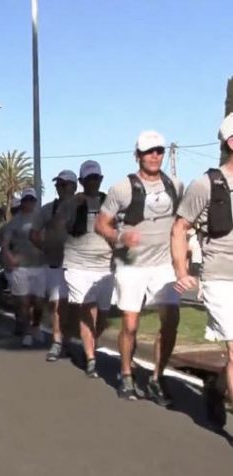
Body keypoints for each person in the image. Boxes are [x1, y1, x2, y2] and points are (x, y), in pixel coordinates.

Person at [95, 131, 183, 404]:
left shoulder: (175, 185)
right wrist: (120, 237)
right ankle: (126, 374)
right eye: (148, 151)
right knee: (130, 325)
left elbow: (181, 222)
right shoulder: (121, 188)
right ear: (138, 155)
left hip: (163, 265)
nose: (155, 156)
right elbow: (101, 224)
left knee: (171, 321)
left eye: (159, 150)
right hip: (131, 265)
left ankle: (157, 377)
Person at [172, 113, 233, 417]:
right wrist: (182, 272)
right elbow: (179, 228)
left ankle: (216, 387)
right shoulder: (206, 185)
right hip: (220, 278)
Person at [50, 161, 114, 377]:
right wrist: (70, 209)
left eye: (96, 178)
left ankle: (87, 343)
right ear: (81, 181)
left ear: (101, 179)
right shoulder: (71, 203)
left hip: (105, 265)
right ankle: (91, 358)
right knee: (88, 310)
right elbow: (57, 227)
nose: (93, 182)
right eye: (89, 179)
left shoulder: (109, 202)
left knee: (103, 316)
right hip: (78, 265)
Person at [30, 170, 77, 361]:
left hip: (80, 264)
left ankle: (69, 340)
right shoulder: (48, 209)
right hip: (55, 263)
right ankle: (57, 342)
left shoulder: (82, 207)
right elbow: (33, 233)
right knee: (57, 303)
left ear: (74, 187)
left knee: (76, 307)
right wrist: (45, 247)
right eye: (58, 185)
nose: (60, 188)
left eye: (64, 184)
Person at [1, 188, 45, 347]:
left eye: (32, 200)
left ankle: (36, 326)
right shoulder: (14, 222)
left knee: (39, 303)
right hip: (21, 268)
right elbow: (5, 244)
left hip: (40, 265)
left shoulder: (42, 218)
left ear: (35, 202)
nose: (29, 203)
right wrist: (9, 258)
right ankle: (27, 332)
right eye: (26, 200)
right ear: (22, 202)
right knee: (24, 303)